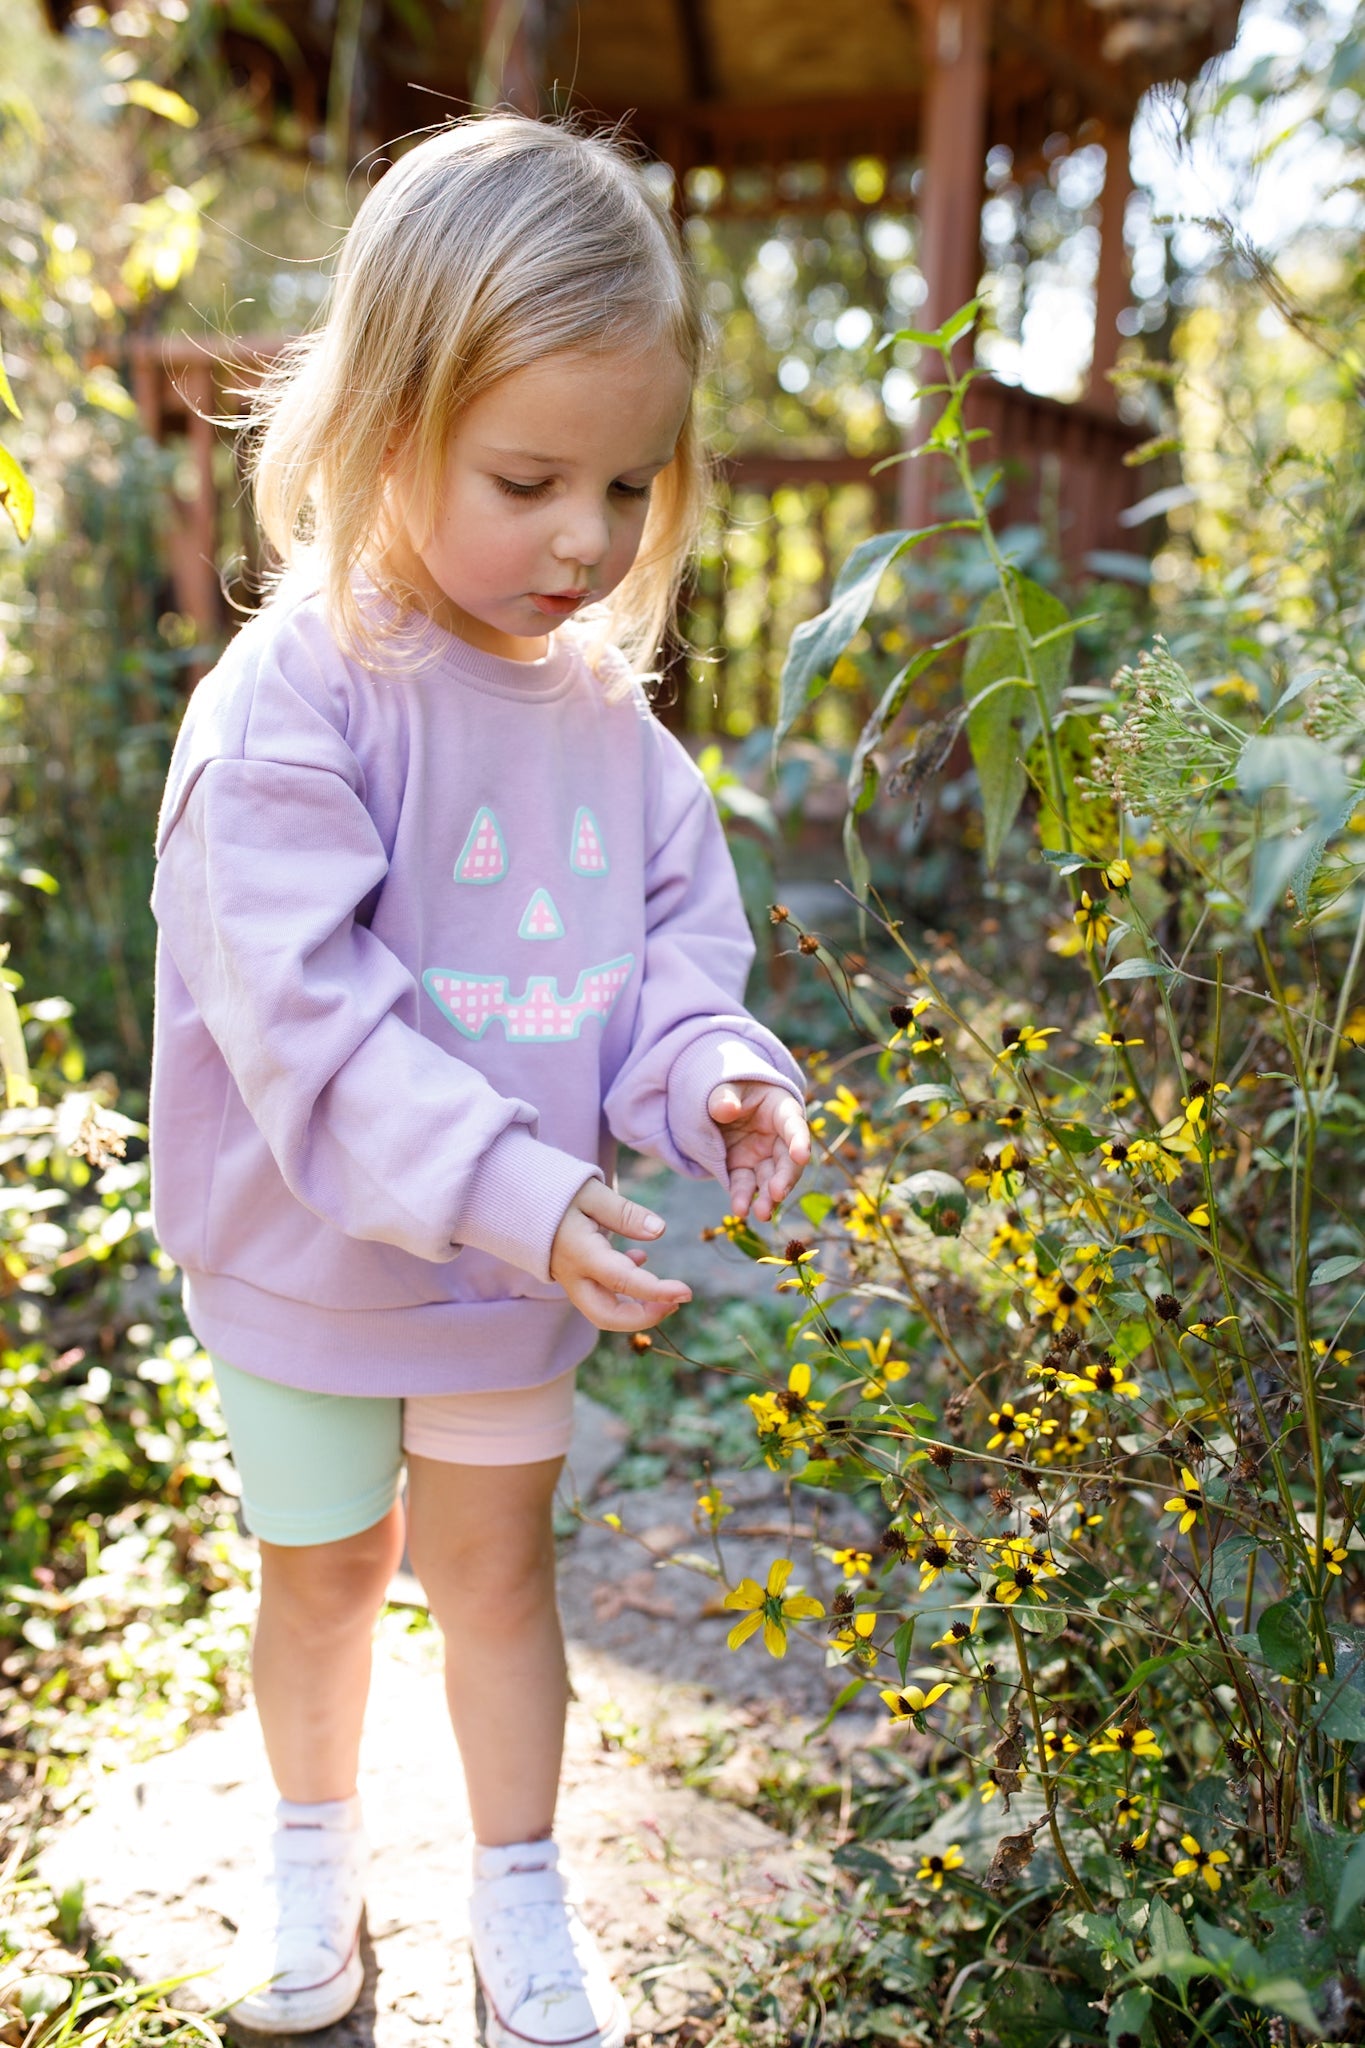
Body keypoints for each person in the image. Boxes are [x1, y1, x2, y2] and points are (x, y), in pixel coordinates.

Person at [148, 113, 810, 2048]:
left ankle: (521, 1900)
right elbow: (311, 1025)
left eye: (625, 482)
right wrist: (527, 1193)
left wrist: (713, 1077)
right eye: (530, 479)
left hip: (509, 1275)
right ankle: (310, 1864)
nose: (589, 538)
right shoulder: (291, 704)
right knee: (326, 1573)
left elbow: (673, 956)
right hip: (306, 1267)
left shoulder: (609, 723)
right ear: (383, 425)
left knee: (501, 1579)